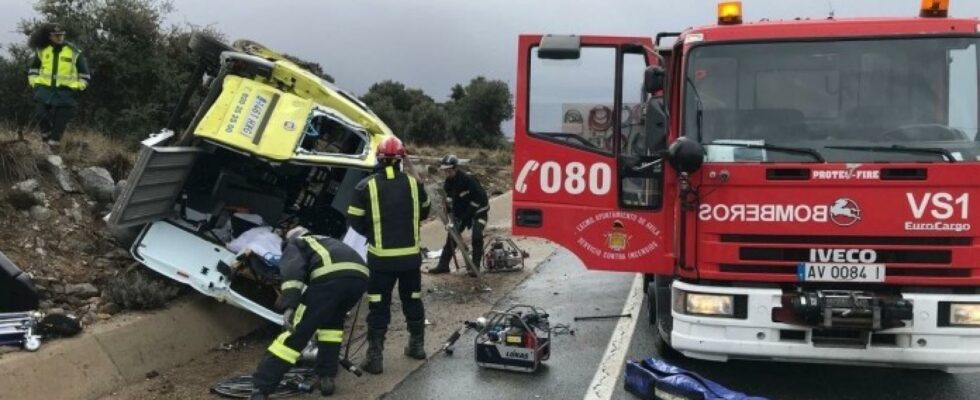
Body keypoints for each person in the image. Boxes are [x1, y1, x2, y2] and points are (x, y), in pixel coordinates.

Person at [249, 226, 369, 399]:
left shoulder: (297, 243)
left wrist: (290, 303)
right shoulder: (326, 240)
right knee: (331, 328)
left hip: (329, 278)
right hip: (359, 280)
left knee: (295, 334)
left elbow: (292, 271)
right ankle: (326, 377)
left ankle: (261, 388)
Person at [346, 137, 430, 375]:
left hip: (380, 261)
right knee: (412, 300)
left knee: (378, 306)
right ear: (401, 160)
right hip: (410, 260)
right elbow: (424, 212)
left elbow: (353, 219)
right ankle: (417, 346)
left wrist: (373, 232)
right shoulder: (415, 185)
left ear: (380, 159)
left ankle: (375, 357)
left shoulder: (365, 186)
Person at [27, 23, 91, 146]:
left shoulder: (74, 52)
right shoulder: (42, 50)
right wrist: (34, 83)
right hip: (44, 90)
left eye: (61, 35)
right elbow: (33, 70)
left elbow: (85, 76)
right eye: (56, 35)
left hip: (66, 92)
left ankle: (53, 149)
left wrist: (77, 88)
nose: (59, 37)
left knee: (58, 126)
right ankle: (45, 141)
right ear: (49, 36)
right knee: (41, 115)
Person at [428, 154, 489, 275]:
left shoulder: (469, 180)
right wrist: (451, 215)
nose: (447, 173)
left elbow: (478, 200)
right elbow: (450, 201)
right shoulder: (448, 183)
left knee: (477, 236)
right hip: (462, 214)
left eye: (449, 170)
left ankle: (475, 267)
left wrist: (465, 217)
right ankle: (443, 265)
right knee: (452, 236)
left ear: (455, 168)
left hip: (479, 212)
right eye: (445, 171)